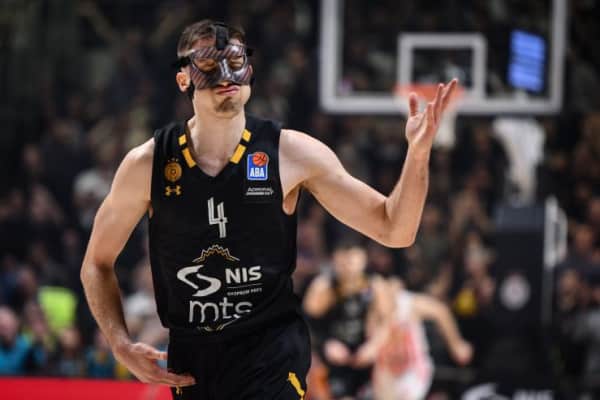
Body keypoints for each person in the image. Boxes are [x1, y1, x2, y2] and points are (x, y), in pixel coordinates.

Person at [80, 19, 458, 399]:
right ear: (184, 79)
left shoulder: (291, 153)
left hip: (272, 353)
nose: (226, 75)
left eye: (235, 61)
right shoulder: (149, 164)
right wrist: (120, 344)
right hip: (194, 361)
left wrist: (417, 155)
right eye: (210, 64)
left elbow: (395, 229)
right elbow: (96, 263)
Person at [303, 240, 391, 399]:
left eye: (352, 261)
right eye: (343, 262)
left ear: (363, 259)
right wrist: (325, 344)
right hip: (333, 358)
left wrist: (374, 345)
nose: (348, 267)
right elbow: (306, 324)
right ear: (335, 260)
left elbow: (387, 321)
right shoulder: (324, 286)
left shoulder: (375, 285)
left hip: (365, 355)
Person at [372, 279, 473, 400]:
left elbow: (440, 310)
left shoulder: (408, 304)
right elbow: (372, 346)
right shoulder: (372, 312)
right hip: (387, 371)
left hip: (414, 370)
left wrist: (456, 344)